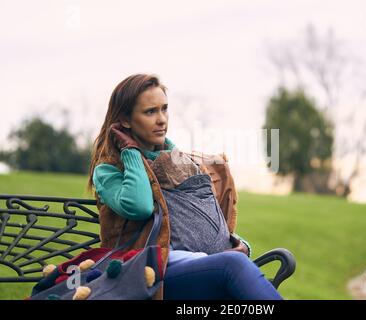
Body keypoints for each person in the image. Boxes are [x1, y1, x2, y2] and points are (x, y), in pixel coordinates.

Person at [87, 73, 283, 300]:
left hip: (199, 266)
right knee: (233, 267)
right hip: (150, 276)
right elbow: (140, 207)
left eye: (164, 109)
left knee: (234, 265)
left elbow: (200, 222)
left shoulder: (182, 163)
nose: (162, 119)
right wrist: (130, 152)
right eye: (150, 111)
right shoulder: (110, 170)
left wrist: (241, 244)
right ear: (125, 120)